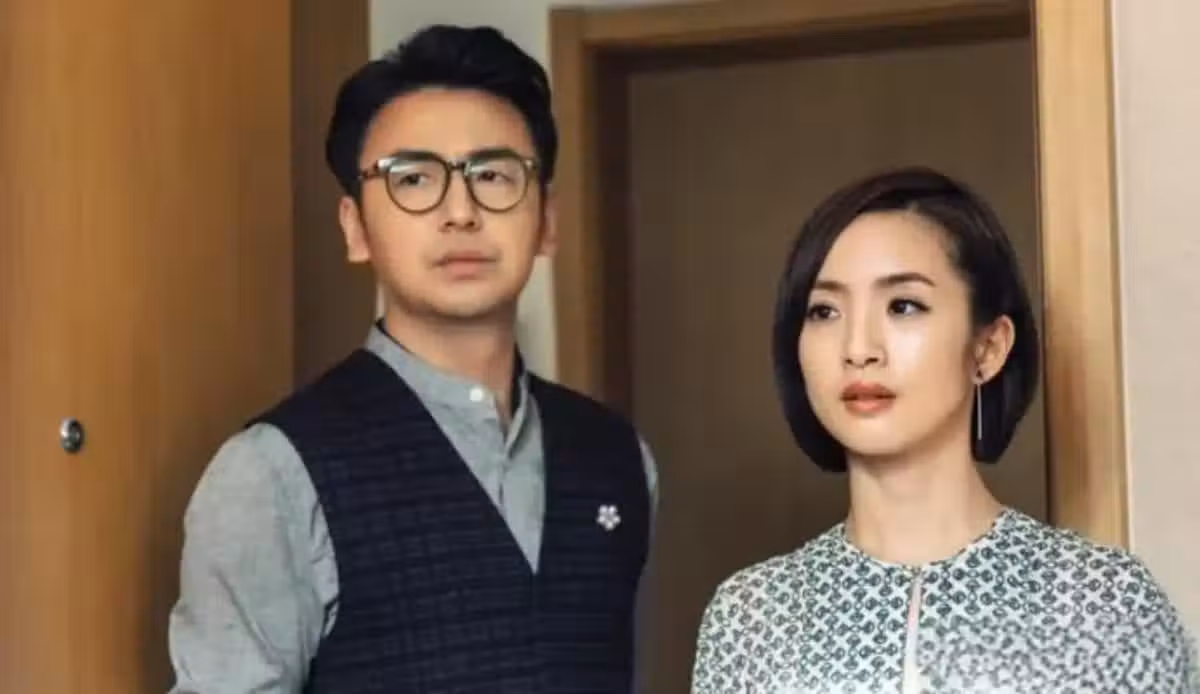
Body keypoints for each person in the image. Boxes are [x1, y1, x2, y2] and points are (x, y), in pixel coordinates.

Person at [167, 24, 658, 694]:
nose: (460, 211)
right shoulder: (273, 472)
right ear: (356, 228)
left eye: (493, 175)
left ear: (547, 220)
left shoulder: (618, 457)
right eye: (414, 179)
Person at [690, 167, 1199, 693]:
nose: (858, 348)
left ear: (988, 348)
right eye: (824, 311)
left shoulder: (1105, 606)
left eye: (903, 306)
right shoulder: (752, 618)